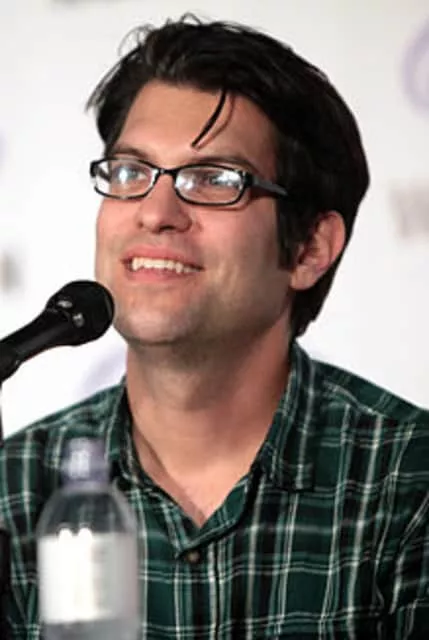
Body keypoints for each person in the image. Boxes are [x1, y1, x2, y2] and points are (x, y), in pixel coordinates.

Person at [1, 13, 429, 639]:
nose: (155, 212)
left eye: (213, 180)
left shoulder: (409, 481)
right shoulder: (16, 488)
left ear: (309, 248)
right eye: (131, 172)